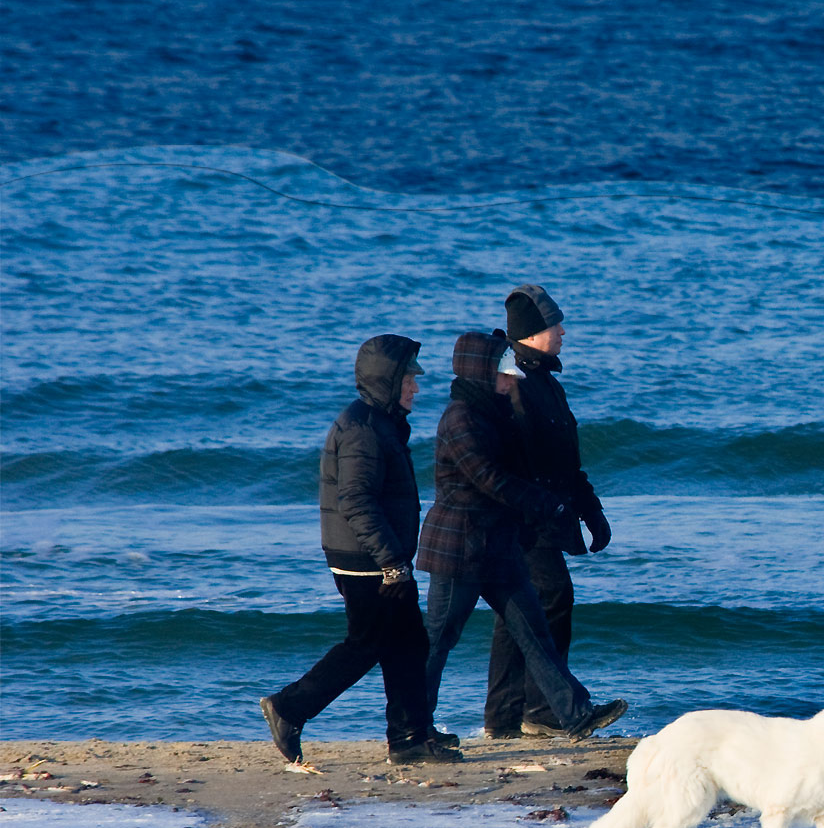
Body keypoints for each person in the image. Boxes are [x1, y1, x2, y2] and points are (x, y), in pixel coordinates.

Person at [262, 335, 462, 766]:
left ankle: (410, 736)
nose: (416, 387)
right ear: (388, 380)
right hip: (366, 561)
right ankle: (289, 708)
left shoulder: (379, 422)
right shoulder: (363, 428)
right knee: (367, 643)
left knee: (408, 642)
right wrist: (391, 563)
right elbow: (355, 499)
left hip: (378, 557)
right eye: (410, 378)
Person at [417, 332, 627, 738]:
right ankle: (413, 725)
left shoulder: (494, 414)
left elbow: (535, 465)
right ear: (483, 373)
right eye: (506, 375)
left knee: (535, 632)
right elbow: (490, 479)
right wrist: (549, 504)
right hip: (459, 549)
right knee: (438, 641)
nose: (513, 382)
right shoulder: (461, 418)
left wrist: (581, 504)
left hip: (498, 547)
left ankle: (574, 712)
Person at [483, 284, 615, 738]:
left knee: (518, 611)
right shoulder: (513, 382)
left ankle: (503, 716)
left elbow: (566, 460)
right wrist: (531, 507)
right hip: (521, 520)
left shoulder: (547, 383)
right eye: (554, 325)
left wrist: (590, 511)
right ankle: (540, 710)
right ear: (533, 334)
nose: (563, 332)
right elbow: (505, 462)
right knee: (551, 597)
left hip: (549, 514)